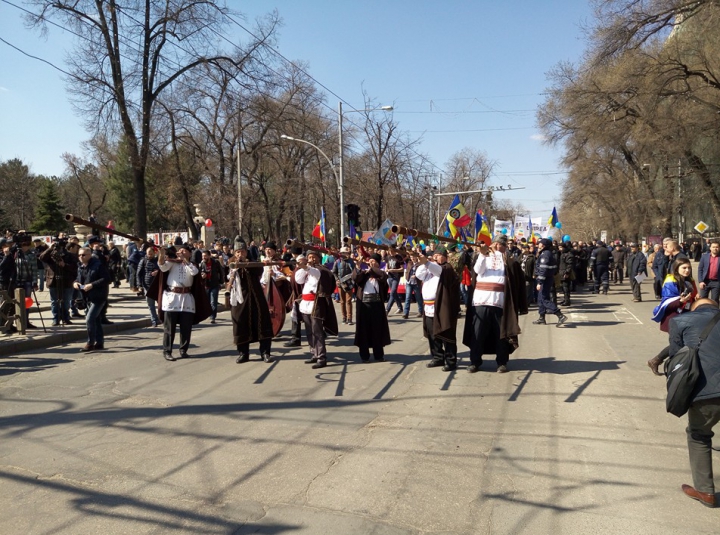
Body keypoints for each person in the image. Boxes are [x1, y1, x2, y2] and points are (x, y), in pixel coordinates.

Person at [647, 298, 720, 508]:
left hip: (707, 394)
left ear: (695, 307)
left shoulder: (681, 321)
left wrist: (659, 360)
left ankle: (705, 491)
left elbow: (679, 354)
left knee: (699, 434)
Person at [152, 244, 210, 361]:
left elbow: (194, 272)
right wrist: (162, 254)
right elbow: (162, 266)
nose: (181, 252)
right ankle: (167, 351)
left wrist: (185, 260)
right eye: (180, 250)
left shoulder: (192, 265)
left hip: (186, 298)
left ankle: (183, 350)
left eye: (184, 250)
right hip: (171, 298)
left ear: (189, 253)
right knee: (169, 328)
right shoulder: (172, 263)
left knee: (186, 327)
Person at [415, 246, 460, 371]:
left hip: (442, 307)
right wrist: (425, 263)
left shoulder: (447, 268)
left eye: (438, 255)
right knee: (432, 334)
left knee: (446, 334)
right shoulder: (429, 269)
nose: (435, 257)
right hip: (429, 306)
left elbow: (437, 270)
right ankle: (437, 357)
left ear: (445, 257)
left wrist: (427, 262)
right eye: (434, 255)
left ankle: (451, 361)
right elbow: (418, 274)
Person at [227, 244, 274, 363]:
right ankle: (243, 353)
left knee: (262, 323)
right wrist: (236, 268)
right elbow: (227, 277)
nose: (240, 254)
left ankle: (265, 352)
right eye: (237, 252)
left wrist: (246, 264)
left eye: (242, 251)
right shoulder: (231, 263)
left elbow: (259, 270)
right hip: (240, 300)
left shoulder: (253, 262)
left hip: (256, 298)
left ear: (246, 252)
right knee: (240, 324)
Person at [293, 250, 338, 369]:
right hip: (305, 304)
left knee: (317, 331)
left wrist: (305, 267)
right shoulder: (306, 270)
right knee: (309, 331)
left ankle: (321, 357)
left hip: (316, 304)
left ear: (318, 258)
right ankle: (314, 353)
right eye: (309, 257)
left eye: (314, 257)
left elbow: (314, 272)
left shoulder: (320, 270)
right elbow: (298, 280)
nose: (311, 259)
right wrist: (301, 267)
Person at [353, 253, 391, 362]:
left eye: (374, 261)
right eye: (370, 260)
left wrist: (372, 269)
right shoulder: (364, 274)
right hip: (364, 305)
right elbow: (355, 277)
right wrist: (358, 266)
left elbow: (383, 276)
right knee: (363, 331)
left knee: (377, 331)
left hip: (377, 305)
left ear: (378, 263)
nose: (371, 262)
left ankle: (378, 355)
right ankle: (364, 356)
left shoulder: (380, 274)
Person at [73, 246, 111, 352]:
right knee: (96, 320)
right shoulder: (80, 266)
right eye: (79, 255)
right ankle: (99, 342)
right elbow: (78, 278)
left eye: (83, 255)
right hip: (87, 297)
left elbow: (106, 279)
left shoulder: (98, 265)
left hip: (98, 297)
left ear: (89, 255)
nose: (81, 257)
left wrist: (92, 285)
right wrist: (75, 283)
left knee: (89, 318)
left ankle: (90, 343)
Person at [652, 257, 698, 333]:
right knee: (676, 343)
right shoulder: (670, 281)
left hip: (687, 317)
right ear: (676, 268)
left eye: (689, 268)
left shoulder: (690, 280)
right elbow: (667, 304)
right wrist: (680, 301)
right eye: (684, 268)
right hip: (673, 318)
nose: (687, 270)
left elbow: (693, 297)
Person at [39, 238, 77, 326]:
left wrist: (65, 265)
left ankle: (65, 318)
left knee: (66, 301)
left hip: (66, 281)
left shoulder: (70, 255)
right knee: (54, 301)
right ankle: (56, 318)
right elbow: (41, 258)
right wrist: (49, 248)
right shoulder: (51, 254)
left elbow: (75, 268)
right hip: (53, 280)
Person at [533, 239, 568, 326]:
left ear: (544, 245)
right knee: (541, 299)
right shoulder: (545, 253)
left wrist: (540, 282)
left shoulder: (545, 255)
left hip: (545, 279)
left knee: (544, 299)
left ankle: (560, 315)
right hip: (547, 278)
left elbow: (543, 270)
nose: (538, 245)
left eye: (540, 243)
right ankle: (541, 318)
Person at [136, 246, 160, 327]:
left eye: (151, 253)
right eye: (148, 253)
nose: (150, 255)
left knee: (161, 304)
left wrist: (158, 272)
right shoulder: (143, 261)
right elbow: (138, 274)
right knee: (151, 305)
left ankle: (161, 318)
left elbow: (164, 270)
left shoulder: (158, 261)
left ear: (154, 253)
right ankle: (154, 320)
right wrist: (139, 285)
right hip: (147, 286)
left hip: (157, 286)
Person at [199, 249, 225, 324]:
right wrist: (201, 276)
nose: (204, 257)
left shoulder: (215, 262)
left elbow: (221, 271)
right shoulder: (201, 264)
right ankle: (208, 314)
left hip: (214, 285)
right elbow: (198, 274)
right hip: (206, 285)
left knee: (213, 302)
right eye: (202, 256)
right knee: (207, 301)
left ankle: (213, 317)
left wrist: (220, 282)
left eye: (205, 256)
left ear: (209, 256)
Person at [332, 246, 356, 325]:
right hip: (340, 284)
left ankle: (349, 318)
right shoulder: (337, 262)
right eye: (343, 253)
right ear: (341, 254)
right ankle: (344, 317)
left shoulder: (351, 262)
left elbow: (354, 270)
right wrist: (337, 279)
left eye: (346, 253)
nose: (345, 254)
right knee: (342, 301)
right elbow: (334, 272)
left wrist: (352, 277)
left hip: (349, 283)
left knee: (348, 301)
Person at [402, 253, 424, 319]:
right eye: (411, 257)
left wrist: (416, 276)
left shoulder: (420, 264)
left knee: (418, 298)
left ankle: (420, 311)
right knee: (407, 298)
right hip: (409, 282)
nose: (412, 258)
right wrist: (406, 277)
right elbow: (407, 271)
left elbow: (422, 273)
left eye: (413, 256)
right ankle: (406, 313)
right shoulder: (409, 263)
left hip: (416, 283)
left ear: (416, 257)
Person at [385, 251, 404, 316]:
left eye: (391, 251)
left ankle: (387, 309)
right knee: (394, 293)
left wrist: (394, 270)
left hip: (396, 276)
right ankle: (400, 307)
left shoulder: (399, 257)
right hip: (390, 276)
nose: (390, 252)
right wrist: (387, 269)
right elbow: (386, 266)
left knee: (392, 292)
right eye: (389, 251)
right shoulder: (388, 257)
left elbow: (402, 269)